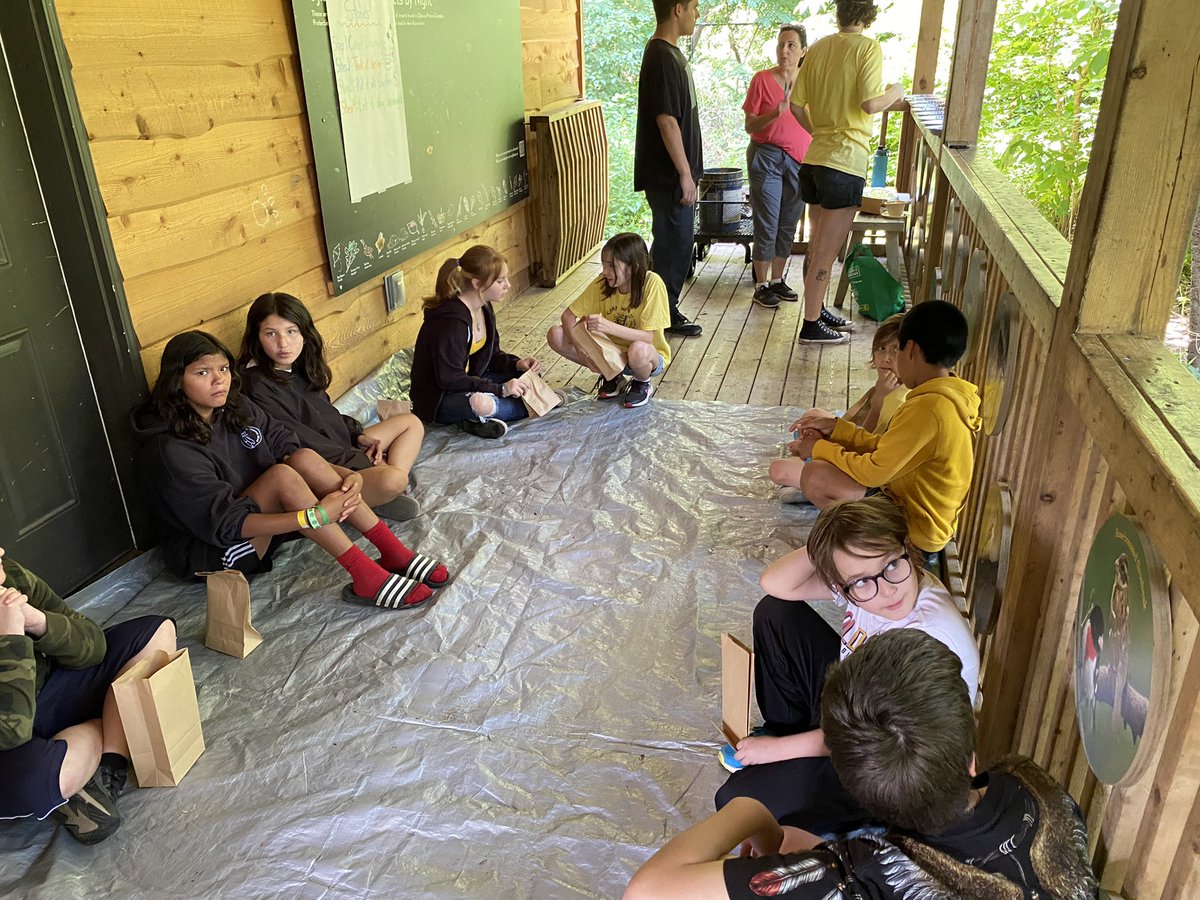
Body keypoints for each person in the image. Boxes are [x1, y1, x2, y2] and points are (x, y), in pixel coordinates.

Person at [625, 630, 1098, 899]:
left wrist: (751, 812)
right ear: (970, 756)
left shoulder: (864, 874)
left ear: (856, 793)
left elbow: (647, 891)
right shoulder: (1031, 784)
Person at [714, 495, 980, 834]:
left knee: (737, 798)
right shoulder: (876, 582)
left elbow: (866, 736)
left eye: (892, 565)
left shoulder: (924, 635)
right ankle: (786, 728)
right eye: (861, 581)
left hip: (887, 757)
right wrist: (831, 542)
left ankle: (861, 824)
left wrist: (777, 752)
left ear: (906, 549)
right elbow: (776, 583)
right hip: (851, 700)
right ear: (844, 584)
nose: (886, 591)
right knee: (775, 612)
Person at [134, 331, 447, 610]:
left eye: (223, 368)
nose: (219, 380)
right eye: (202, 372)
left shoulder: (234, 406)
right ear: (177, 381)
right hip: (217, 551)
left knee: (302, 458)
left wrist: (344, 476)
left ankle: (393, 552)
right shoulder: (169, 449)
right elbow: (224, 524)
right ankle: (365, 575)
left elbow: (287, 444)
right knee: (281, 476)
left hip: (263, 521)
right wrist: (313, 517)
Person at [0, 548, 176, 844]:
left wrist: (38, 622)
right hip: (13, 744)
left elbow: (94, 646)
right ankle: (108, 726)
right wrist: (11, 639)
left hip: (45, 694)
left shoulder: (11, 574)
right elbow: (11, 731)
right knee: (34, 780)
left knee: (157, 633)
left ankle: (105, 769)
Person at [788, 301, 980, 561]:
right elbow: (884, 445)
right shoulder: (944, 395)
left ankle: (883, 549)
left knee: (815, 476)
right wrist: (837, 429)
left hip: (916, 529)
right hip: (909, 503)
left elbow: (873, 472)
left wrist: (819, 448)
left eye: (897, 348)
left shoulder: (929, 408)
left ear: (910, 349)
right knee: (815, 472)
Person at [238, 292, 425, 522]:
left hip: (343, 446)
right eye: (270, 333)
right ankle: (379, 491)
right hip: (323, 469)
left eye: (291, 331)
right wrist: (362, 462)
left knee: (410, 423)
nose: (283, 343)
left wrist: (357, 435)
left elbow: (326, 415)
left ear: (305, 334)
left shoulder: (298, 367)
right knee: (394, 479)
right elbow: (300, 444)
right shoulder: (256, 384)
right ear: (257, 338)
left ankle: (378, 496)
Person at [788, 0, 905, 344]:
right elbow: (870, 104)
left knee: (815, 248)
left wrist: (820, 132)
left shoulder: (820, 47)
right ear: (867, 15)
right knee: (826, 252)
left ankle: (817, 309)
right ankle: (811, 325)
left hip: (815, 161)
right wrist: (894, 93)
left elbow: (795, 105)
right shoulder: (868, 48)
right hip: (845, 162)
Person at [410, 245, 542, 439]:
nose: (508, 285)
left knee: (527, 377)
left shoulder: (484, 306)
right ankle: (495, 409)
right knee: (482, 403)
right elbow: (449, 379)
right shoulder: (450, 323)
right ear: (477, 284)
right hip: (440, 397)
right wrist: (501, 389)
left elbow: (492, 355)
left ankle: (479, 418)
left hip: (472, 379)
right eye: (500, 280)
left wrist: (516, 363)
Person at [769, 313, 906, 492]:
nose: (886, 357)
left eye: (895, 350)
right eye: (881, 348)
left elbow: (866, 448)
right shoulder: (889, 382)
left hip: (866, 478)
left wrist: (819, 447)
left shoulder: (899, 398)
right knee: (813, 414)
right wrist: (824, 434)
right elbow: (852, 423)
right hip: (854, 454)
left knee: (779, 470)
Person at [635, 0, 704, 337]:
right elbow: (666, 120)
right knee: (673, 245)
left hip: (674, 174)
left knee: (673, 242)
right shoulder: (661, 56)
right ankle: (661, 315)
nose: (697, 13)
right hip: (667, 175)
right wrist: (684, 173)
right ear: (678, 9)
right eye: (694, 6)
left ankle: (655, 308)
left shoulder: (671, 53)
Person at [546, 232, 672, 408]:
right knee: (556, 334)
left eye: (612, 266)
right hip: (611, 355)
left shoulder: (652, 283)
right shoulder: (602, 283)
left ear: (633, 267)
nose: (605, 272)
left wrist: (607, 326)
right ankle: (613, 376)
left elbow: (648, 338)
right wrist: (580, 348)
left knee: (638, 349)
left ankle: (642, 383)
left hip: (645, 357)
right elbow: (567, 316)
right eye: (604, 265)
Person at [742, 24, 812, 310]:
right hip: (766, 156)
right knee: (767, 221)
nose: (785, 50)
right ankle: (761, 285)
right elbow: (750, 125)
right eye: (781, 44)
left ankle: (778, 280)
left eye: (792, 45)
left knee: (788, 222)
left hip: (799, 159)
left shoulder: (809, 83)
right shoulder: (761, 79)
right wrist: (775, 112)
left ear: (803, 51)